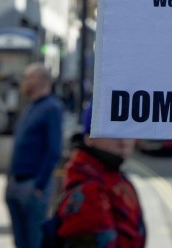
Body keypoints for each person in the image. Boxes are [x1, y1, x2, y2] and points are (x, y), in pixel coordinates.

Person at [54, 105, 145, 247]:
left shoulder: (112, 176)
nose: (124, 141)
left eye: (129, 129)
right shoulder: (89, 193)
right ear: (89, 138)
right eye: (112, 131)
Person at [6, 63, 64, 248]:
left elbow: (54, 149)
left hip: (33, 186)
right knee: (20, 240)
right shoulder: (31, 106)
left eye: (26, 77)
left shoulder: (52, 108)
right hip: (17, 182)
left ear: (38, 80)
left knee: (34, 240)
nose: (23, 82)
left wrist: (39, 186)